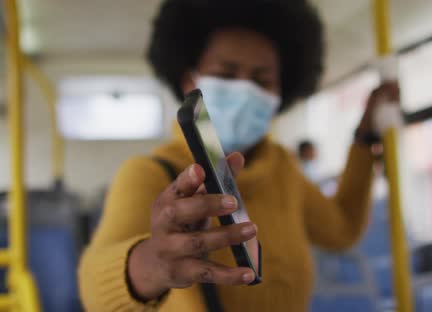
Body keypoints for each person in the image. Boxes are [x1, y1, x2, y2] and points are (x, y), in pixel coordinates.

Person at [78, 0, 399, 311]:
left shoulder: (283, 168)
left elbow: (341, 230)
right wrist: (151, 263)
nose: (245, 91)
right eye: (227, 75)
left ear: (279, 94)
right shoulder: (150, 173)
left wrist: (364, 138)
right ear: (190, 80)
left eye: (262, 81)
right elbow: (94, 288)